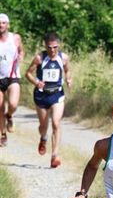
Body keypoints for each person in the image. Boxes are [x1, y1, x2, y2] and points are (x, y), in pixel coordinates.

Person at [25, 32, 72, 168]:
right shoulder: (40, 58)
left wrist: (69, 79)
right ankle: (43, 138)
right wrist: (36, 82)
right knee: (43, 125)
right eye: (49, 47)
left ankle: (55, 155)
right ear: (45, 46)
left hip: (57, 94)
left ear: (59, 45)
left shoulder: (64, 58)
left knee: (56, 123)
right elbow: (28, 73)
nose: (52, 50)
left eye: (55, 47)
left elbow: (67, 71)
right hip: (41, 95)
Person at [0, 13, 24, 147]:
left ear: (7, 25)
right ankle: (3, 134)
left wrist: (20, 56)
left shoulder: (15, 38)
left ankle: (9, 115)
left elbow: (21, 51)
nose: (1, 25)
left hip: (12, 76)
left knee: (13, 104)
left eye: (3, 23)